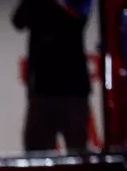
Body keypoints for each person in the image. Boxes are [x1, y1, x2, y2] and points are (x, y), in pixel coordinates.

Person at [15, 0, 91, 153]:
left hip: (73, 89)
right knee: (36, 154)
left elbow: (76, 17)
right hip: (42, 89)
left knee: (77, 154)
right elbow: (18, 21)